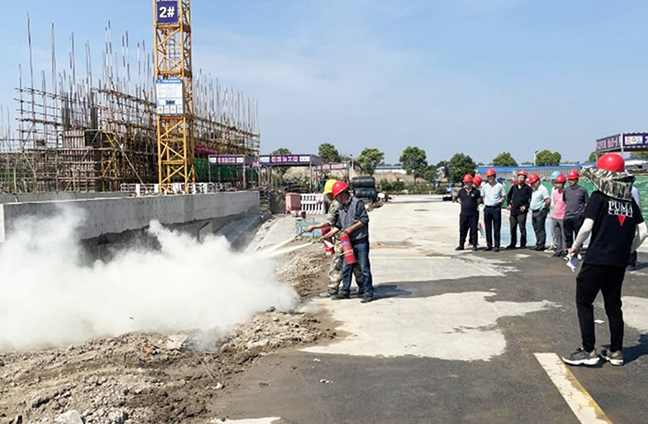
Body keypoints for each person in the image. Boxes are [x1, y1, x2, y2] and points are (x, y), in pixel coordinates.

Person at [562, 153, 647, 367]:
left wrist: (575, 246)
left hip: (597, 258)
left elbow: (587, 227)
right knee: (613, 305)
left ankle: (588, 351)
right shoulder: (629, 201)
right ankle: (617, 352)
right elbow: (644, 232)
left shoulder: (599, 197)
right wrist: (627, 251)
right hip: (618, 262)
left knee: (584, 302)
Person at [305, 179, 363, 297]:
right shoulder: (348, 202)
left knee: (337, 264)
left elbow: (330, 223)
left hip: (343, 240)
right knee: (356, 263)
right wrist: (326, 236)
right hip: (354, 238)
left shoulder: (336, 204)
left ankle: (333, 289)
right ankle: (363, 286)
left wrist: (314, 227)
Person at [327, 181, 374, 303]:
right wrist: (327, 236)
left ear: (342, 194)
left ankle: (368, 292)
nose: (335, 199)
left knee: (364, 267)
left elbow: (364, 219)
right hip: (347, 242)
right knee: (346, 267)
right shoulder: (341, 207)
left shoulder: (357, 203)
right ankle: (345, 291)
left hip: (360, 241)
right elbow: (338, 225)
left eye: (336, 196)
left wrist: (350, 229)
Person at [563, 170, 589, 252]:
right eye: (569, 179)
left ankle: (578, 252)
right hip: (567, 216)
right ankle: (569, 252)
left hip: (578, 216)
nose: (571, 181)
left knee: (578, 235)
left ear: (577, 179)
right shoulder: (566, 190)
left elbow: (586, 202)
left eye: (572, 179)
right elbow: (565, 201)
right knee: (568, 236)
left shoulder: (582, 190)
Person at [506, 170, 533, 249]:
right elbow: (509, 196)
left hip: (522, 211)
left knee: (522, 228)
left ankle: (523, 244)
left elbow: (531, 199)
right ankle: (513, 243)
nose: (521, 179)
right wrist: (509, 204)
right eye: (520, 177)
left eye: (522, 177)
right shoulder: (514, 187)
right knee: (512, 227)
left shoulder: (527, 188)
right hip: (513, 211)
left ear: (525, 179)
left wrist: (526, 206)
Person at [481, 168, 506, 252]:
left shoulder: (499, 186)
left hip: (496, 208)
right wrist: (485, 203)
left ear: (494, 176)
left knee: (497, 227)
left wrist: (499, 203)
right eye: (488, 176)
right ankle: (489, 245)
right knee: (488, 228)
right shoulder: (484, 187)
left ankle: (497, 245)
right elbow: (482, 196)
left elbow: (503, 196)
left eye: (491, 176)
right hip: (487, 208)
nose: (490, 178)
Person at [456, 174, 482, 251]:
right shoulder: (461, 191)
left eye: (468, 182)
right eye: (465, 182)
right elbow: (459, 199)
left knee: (474, 230)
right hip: (464, 214)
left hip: (473, 214)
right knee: (462, 230)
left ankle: (474, 245)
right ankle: (461, 245)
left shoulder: (476, 192)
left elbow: (478, 201)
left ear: (471, 182)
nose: (466, 184)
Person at [529, 173, 550, 251]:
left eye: (533, 183)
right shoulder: (534, 190)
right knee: (536, 228)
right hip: (534, 211)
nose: (532, 185)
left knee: (540, 228)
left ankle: (541, 244)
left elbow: (547, 200)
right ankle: (538, 243)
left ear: (537, 181)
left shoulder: (543, 189)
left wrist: (543, 208)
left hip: (540, 211)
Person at [551, 174, 567, 257]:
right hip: (555, 216)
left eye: (559, 183)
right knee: (557, 234)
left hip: (563, 216)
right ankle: (559, 249)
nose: (557, 185)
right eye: (556, 183)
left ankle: (564, 250)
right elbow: (555, 202)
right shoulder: (555, 193)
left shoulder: (566, 192)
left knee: (564, 234)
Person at [629, 185, 641, 270]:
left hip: (631, 217)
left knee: (630, 239)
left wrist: (637, 220)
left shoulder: (633, 190)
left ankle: (631, 262)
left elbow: (637, 205)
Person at [548, 171, 561, 251]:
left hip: (560, 212)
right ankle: (554, 243)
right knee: (553, 229)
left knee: (560, 230)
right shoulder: (553, 189)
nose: (553, 182)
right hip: (553, 212)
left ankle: (560, 245)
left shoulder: (564, 189)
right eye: (552, 181)